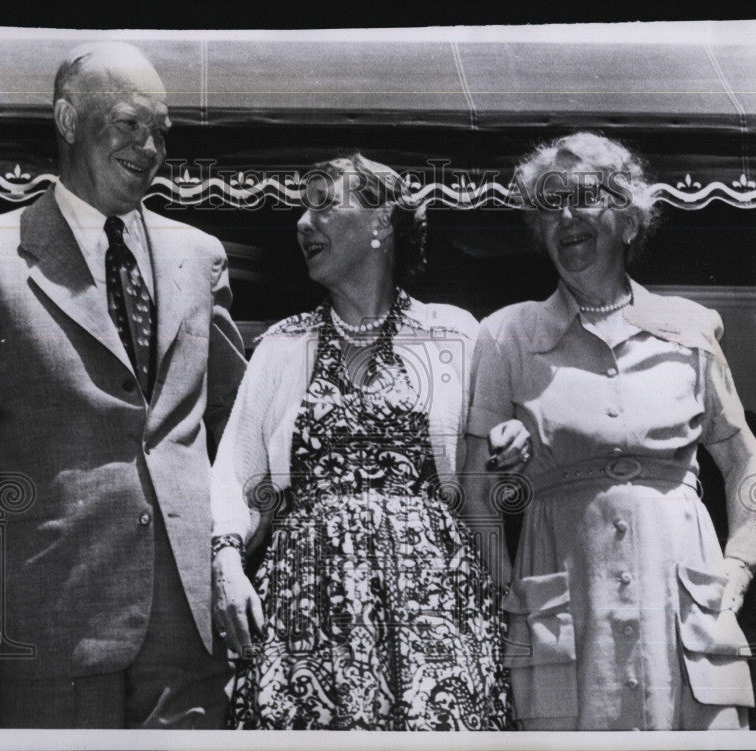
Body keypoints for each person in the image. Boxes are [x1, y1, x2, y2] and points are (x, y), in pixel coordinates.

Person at [0, 42, 246, 728]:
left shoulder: (201, 256)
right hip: (51, 614)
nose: (149, 146)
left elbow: (238, 433)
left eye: (161, 131)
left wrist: (231, 550)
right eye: (129, 123)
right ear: (67, 119)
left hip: (189, 628)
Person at [210, 154, 527, 730]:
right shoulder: (283, 346)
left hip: (435, 601)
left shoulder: (455, 332)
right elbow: (235, 472)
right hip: (308, 604)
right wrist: (227, 560)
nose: (304, 224)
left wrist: (510, 443)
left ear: (382, 222)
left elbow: (483, 478)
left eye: (324, 204)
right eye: (302, 210)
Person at [464, 132, 756, 730]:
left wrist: (739, 563)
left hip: (684, 606)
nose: (566, 216)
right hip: (566, 615)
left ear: (628, 222)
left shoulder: (691, 328)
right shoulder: (507, 335)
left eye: (585, 198)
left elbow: (742, 459)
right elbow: (475, 490)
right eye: (550, 205)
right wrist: (508, 594)